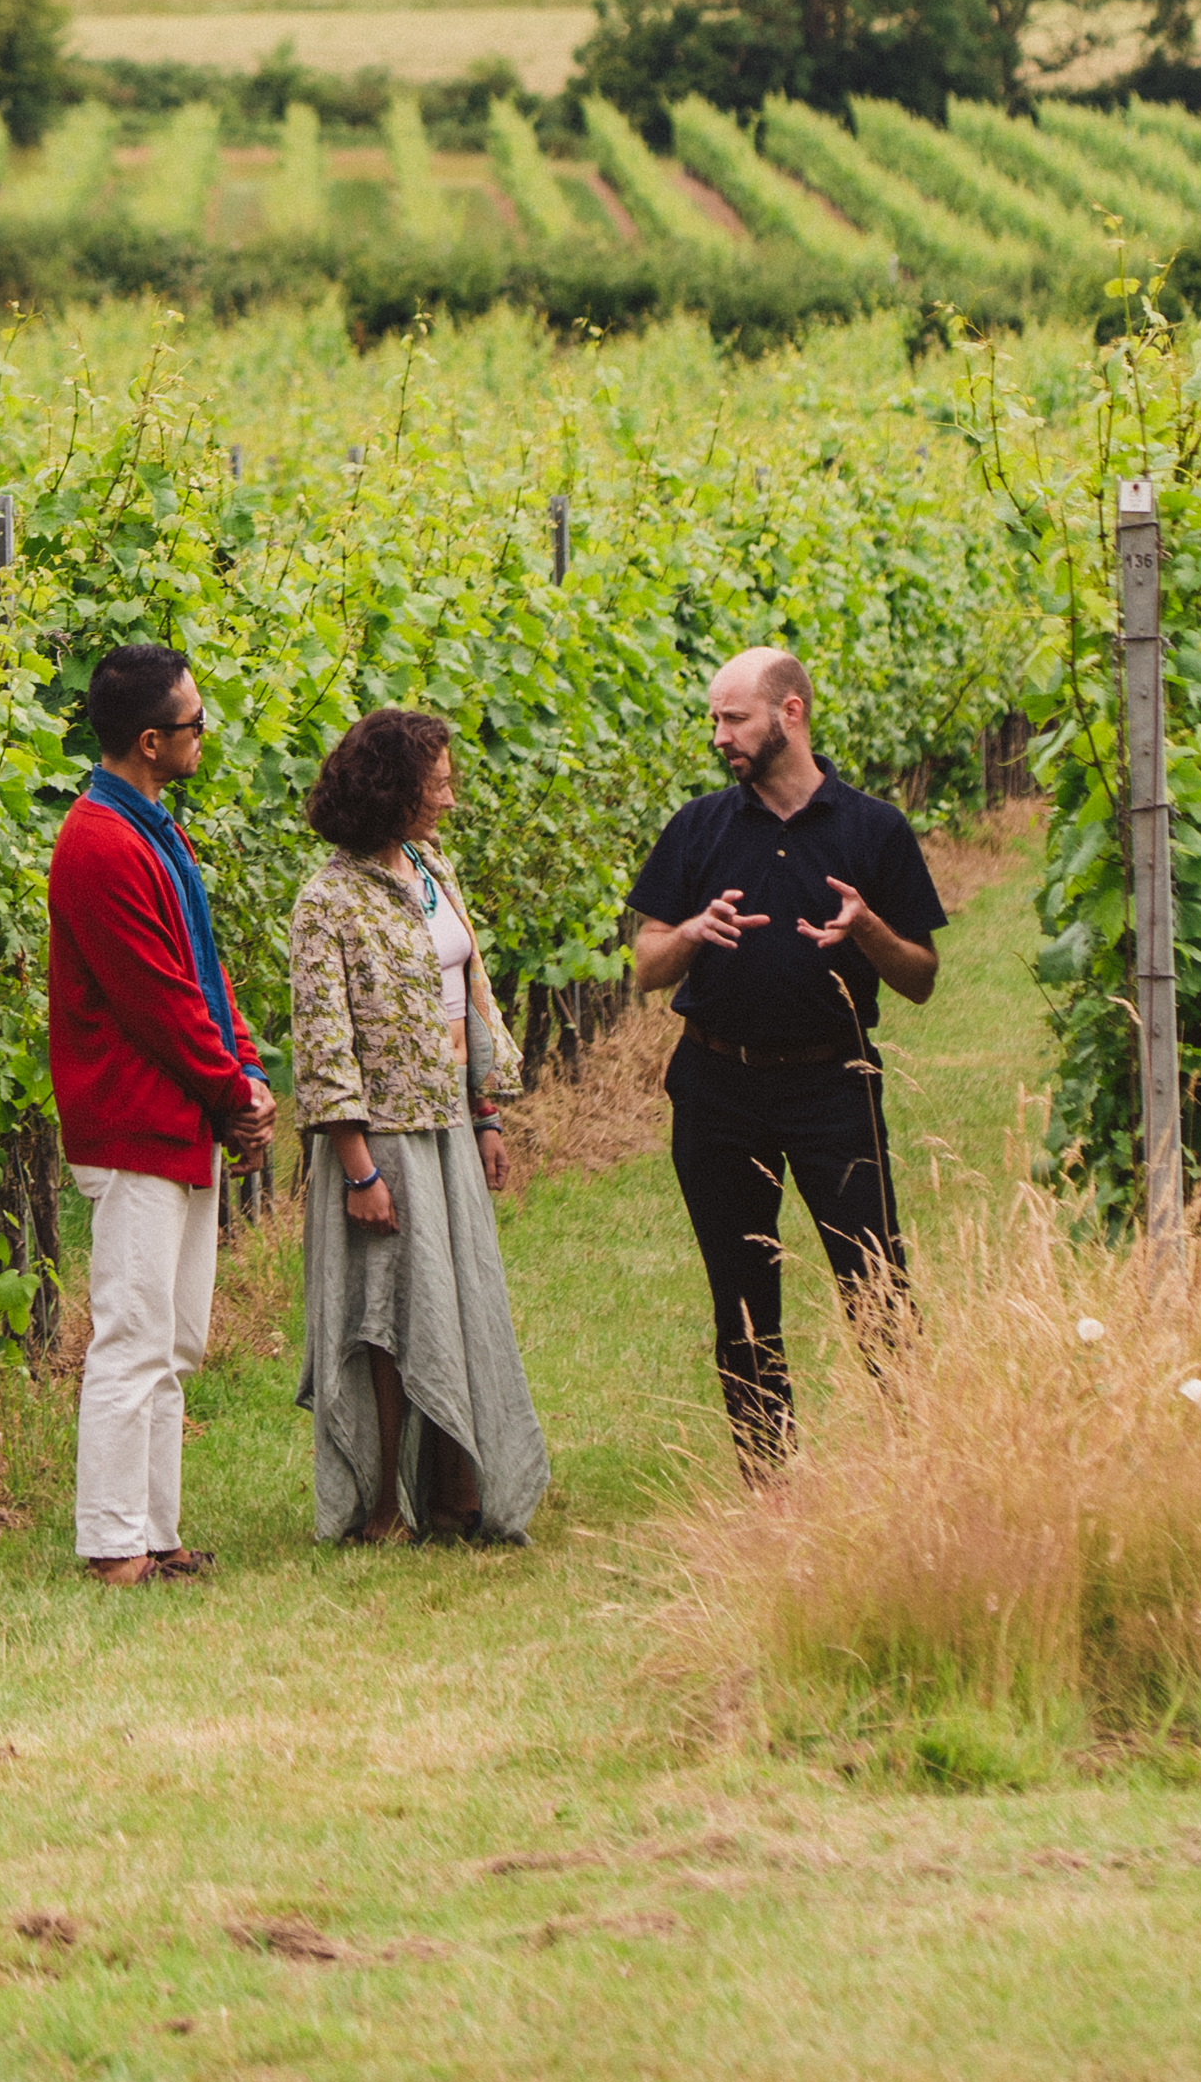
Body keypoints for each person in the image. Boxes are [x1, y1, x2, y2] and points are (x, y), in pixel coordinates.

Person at [626, 646, 942, 1470]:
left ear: (789, 713)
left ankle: (918, 1466)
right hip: (715, 1087)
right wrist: (690, 934)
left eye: (733, 718)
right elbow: (644, 965)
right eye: (714, 721)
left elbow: (921, 980)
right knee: (738, 1293)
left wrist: (867, 928)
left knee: (873, 1279)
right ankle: (769, 1482)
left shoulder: (873, 828)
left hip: (831, 1084)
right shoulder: (698, 827)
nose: (719, 737)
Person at [288, 704, 551, 1548]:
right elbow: (324, 1040)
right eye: (433, 784)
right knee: (388, 1322)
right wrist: (358, 1168)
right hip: (384, 1139)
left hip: (443, 1129)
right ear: (388, 789)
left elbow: (469, 997)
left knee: (455, 1306)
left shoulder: (430, 868)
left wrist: (486, 1114)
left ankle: (452, 1494)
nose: (447, 798)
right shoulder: (327, 899)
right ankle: (377, 1510)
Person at [45, 642, 275, 1587]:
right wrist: (233, 1091)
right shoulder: (100, 843)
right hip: (137, 1118)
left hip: (179, 1118)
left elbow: (202, 973)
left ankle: (155, 1533)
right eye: (192, 723)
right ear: (148, 740)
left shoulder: (151, 829)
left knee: (174, 1340)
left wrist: (244, 1073)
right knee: (131, 1334)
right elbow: (155, 999)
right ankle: (111, 1544)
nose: (202, 735)